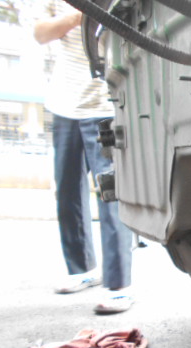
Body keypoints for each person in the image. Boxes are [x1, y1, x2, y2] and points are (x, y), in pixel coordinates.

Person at [34, 0, 133, 314]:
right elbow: (40, 33)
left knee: (110, 195)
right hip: (64, 106)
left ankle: (119, 286)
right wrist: (78, 16)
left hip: (104, 107)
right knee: (67, 193)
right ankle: (81, 269)